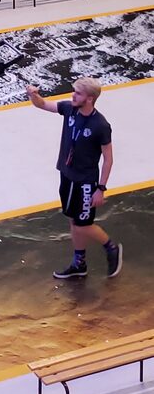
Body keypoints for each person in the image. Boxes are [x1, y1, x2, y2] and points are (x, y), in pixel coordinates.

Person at [26, 77, 123, 279]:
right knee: (73, 221)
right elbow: (43, 104)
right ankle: (79, 263)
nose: (73, 95)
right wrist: (33, 95)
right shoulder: (70, 108)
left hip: (85, 182)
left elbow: (108, 159)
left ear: (89, 98)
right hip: (67, 175)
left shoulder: (100, 125)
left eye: (77, 93)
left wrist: (101, 188)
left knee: (83, 224)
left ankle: (111, 248)